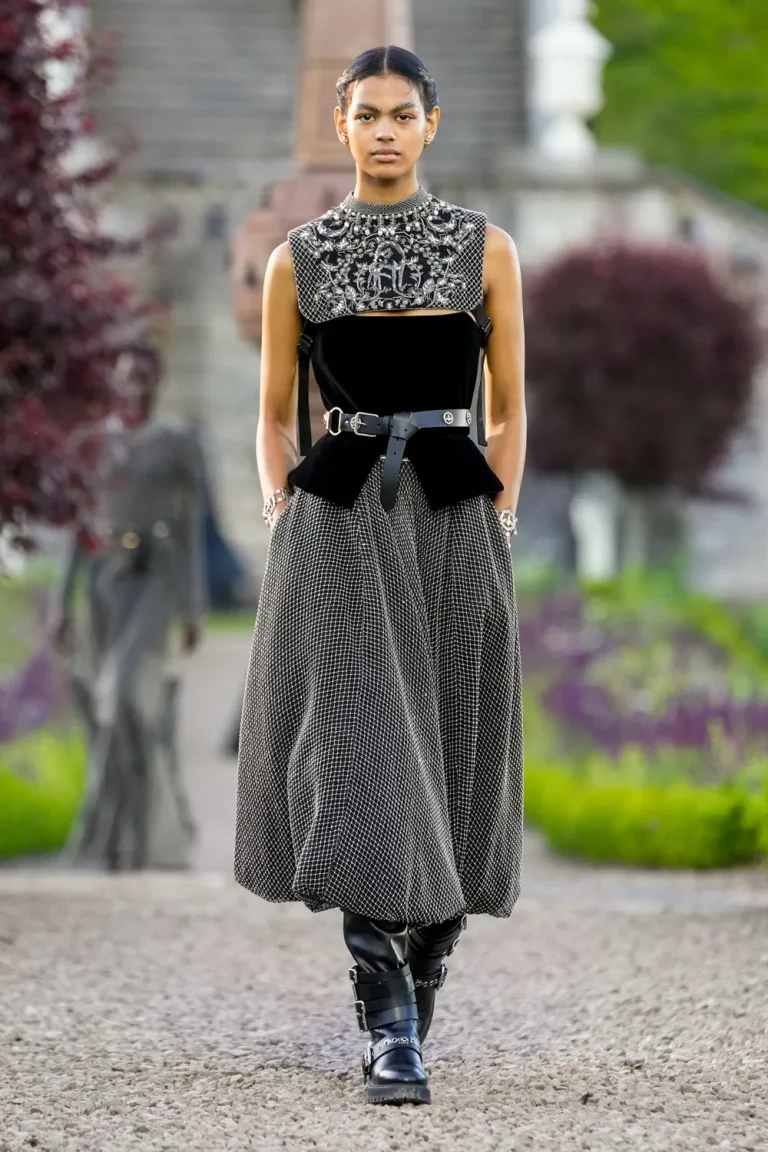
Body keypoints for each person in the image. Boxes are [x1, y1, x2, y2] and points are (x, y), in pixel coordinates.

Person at [235, 46, 525, 1106]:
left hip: (454, 515)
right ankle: (388, 1017)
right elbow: (274, 413)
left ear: (431, 124)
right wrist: (283, 509)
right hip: (339, 517)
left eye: (404, 114)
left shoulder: (487, 249)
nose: (387, 130)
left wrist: (503, 510)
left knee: (454, 746)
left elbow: (510, 405)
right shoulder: (299, 259)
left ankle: (430, 957)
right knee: (358, 747)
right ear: (343, 124)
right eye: (368, 115)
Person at [52, 348, 205, 871]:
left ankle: (127, 831)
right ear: (113, 383)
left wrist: (192, 606)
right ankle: (124, 836)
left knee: (118, 697)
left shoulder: (176, 443)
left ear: (157, 380)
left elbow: (190, 527)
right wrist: (61, 606)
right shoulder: (91, 443)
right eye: (125, 378)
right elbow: (75, 530)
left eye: (143, 376)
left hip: (153, 578)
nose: (134, 386)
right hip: (102, 582)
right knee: (117, 713)